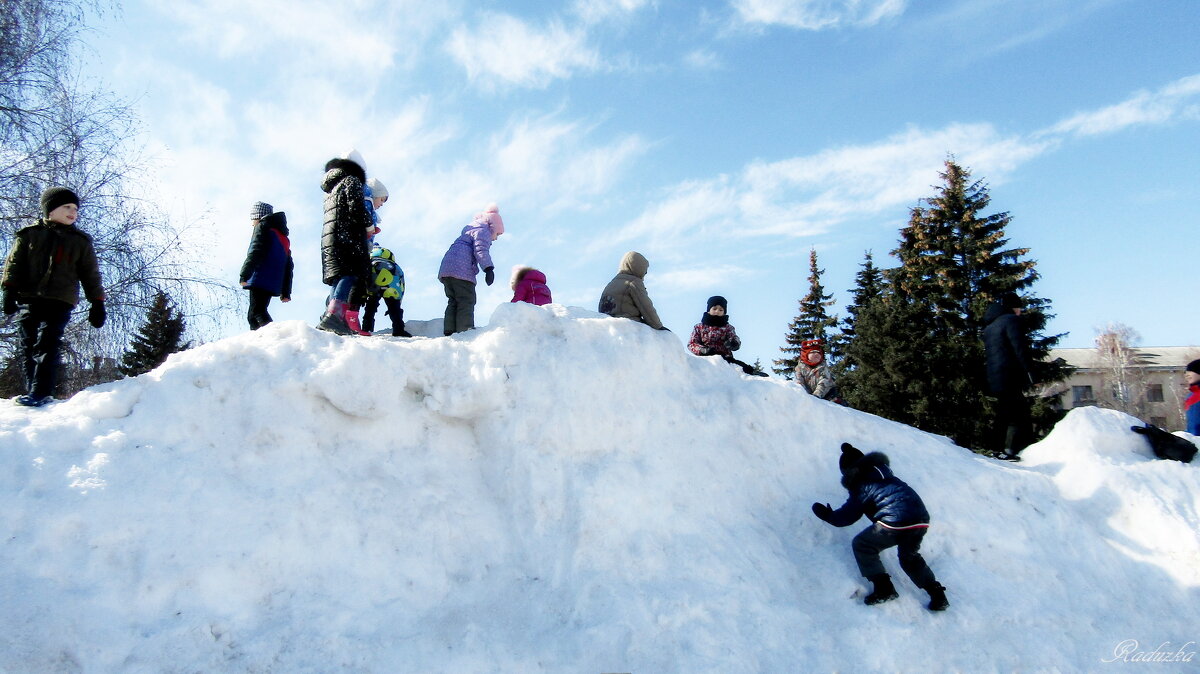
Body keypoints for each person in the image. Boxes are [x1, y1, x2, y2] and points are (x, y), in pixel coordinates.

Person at [812, 442, 949, 612]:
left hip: (895, 521)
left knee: (863, 544)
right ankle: (937, 594)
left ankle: (884, 588)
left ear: (849, 471)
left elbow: (848, 516)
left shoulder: (862, 484)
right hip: (920, 519)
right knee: (910, 557)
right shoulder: (886, 475)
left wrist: (827, 515)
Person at [1, 186, 106, 407]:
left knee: (47, 342)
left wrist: (97, 303)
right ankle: (33, 389)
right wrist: (8, 291)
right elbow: (13, 264)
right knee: (26, 343)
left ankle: (41, 392)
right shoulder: (29, 235)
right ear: (50, 209)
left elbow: (91, 274)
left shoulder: (80, 241)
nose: (73, 212)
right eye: (67, 207)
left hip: (60, 300)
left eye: (76, 208)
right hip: (29, 297)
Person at [318, 149, 373, 335]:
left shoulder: (331, 188)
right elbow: (356, 207)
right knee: (349, 274)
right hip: (347, 237)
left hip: (331, 238)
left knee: (339, 276)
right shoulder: (351, 181)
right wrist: (368, 225)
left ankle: (331, 315)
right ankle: (334, 315)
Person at [982, 293, 1034, 460]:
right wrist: (1030, 372)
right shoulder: (1011, 321)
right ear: (1014, 307)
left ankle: (996, 448)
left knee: (1003, 412)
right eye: (1019, 308)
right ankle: (1010, 450)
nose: (1020, 312)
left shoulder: (990, 327)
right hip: (1010, 374)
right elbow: (1020, 348)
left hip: (995, 377)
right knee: (1018, 413)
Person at [438, 204, 503, 335]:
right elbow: (481, 250)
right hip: (461, 270)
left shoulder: (468, 232)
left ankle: (449, 329)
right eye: (498, 234)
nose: (496, 238)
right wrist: (488, 268)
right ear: (492, 227)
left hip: (447, 269)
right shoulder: (483, 231)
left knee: (453, 300)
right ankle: (465, 330)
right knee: (466, 299)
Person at [238, 201, 293, 330]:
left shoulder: (262, 227)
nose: (252, 223)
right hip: (273, 280)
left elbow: (255, 251)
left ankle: (275, 336)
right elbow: (288, 266)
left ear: (258, 216)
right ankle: (260, 342)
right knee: (256, 313)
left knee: (256, 312)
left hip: (260, 276)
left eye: (253, 219)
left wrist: (244, 274)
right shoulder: (283, 237)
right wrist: (286, 291)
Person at [687, 296, 765, 376]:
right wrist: (702, 350)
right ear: (709, 310)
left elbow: (735, 338)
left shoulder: (728, 328)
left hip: (725, 358)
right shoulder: (699, 327)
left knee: (740, 366)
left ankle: (753, 374)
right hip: (705, 358)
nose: (717, 311)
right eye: (714, 308)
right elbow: (692, 343)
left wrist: (733, 344)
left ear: (724, 312)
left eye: (721, 310)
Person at [597, 251, 665, 330]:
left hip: (609, 325)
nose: (645, 273)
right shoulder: (633, 282)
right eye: (644, 270)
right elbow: (646, 307)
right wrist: (658, 326)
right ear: (638, 267)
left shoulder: (611, 283)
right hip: (628, 324)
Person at [361, 244, 411, 337]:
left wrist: (362, 295)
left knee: (371, 306)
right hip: (392, 284)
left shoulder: (370, 263)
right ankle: (398, 329)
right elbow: (401, 283)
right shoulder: (394, 266)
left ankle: (366, 328)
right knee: (394, 307)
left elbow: (362, 278)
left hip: (373, 283)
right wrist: (399, 300)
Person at [1185, 359, 1200, 436]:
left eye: (1190, 371)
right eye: (1186, 372)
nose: (1187, 375)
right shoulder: (1190, 396)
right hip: (1193, 441)